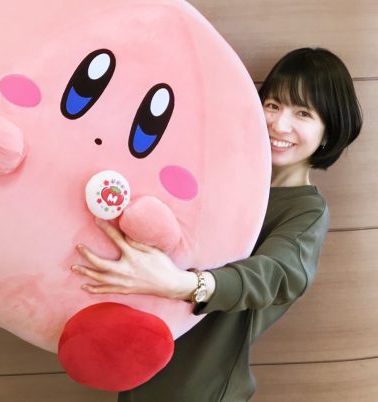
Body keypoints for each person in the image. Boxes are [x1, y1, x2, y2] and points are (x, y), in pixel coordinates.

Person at [71, 47, 363, 401]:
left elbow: (276, 276)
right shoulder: (221, 174)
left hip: (201, 389)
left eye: (303, 113)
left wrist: (180, 284)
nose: (279, 124)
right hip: (139, 371)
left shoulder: (306, 210)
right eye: (273, 105)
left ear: (329, 131)